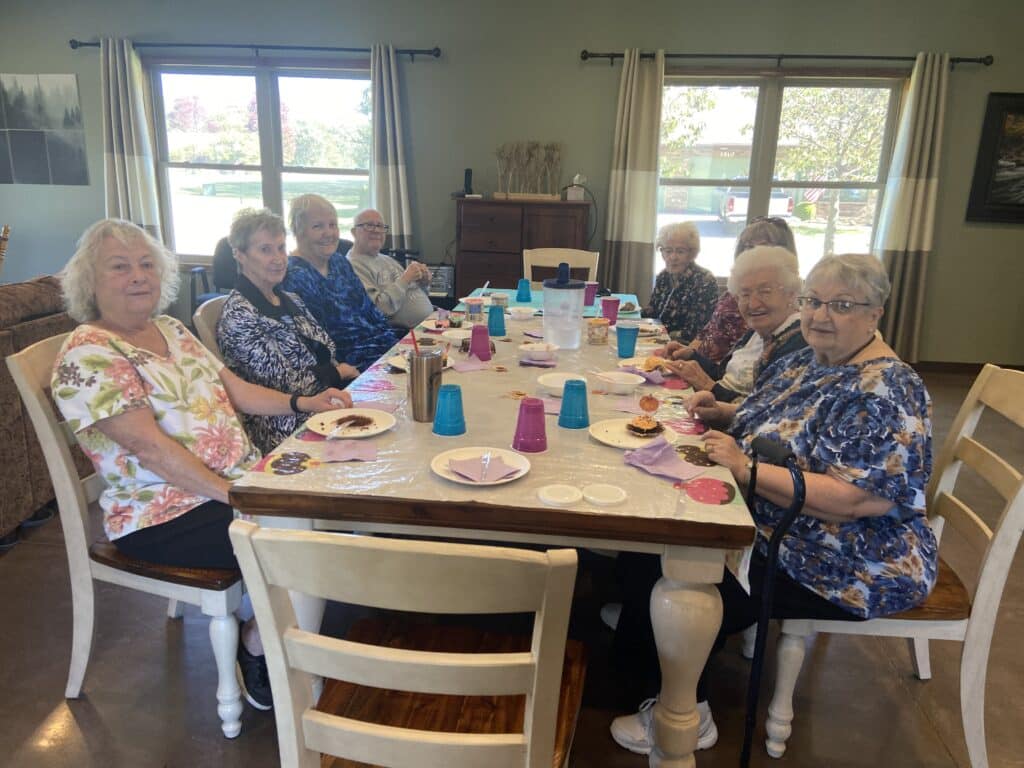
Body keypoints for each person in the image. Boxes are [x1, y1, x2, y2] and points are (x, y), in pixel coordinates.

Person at [609, 253, 937, 756]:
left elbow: (854, 500)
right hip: (779, 518)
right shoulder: (814, 356)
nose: (819, 316)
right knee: (650, 543)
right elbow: (779, 415)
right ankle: (645, 660)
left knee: (682, 569)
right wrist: (724, 411)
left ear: (876, 313)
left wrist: (747, 470)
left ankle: (686, 712)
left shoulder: (885, 390)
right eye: (812, 302)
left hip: (844, 556)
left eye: (841, 305)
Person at [51, 219, 352, 712]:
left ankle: (273, 628)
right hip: (166, 514)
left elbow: (234, 389)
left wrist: (305, 402)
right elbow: (152, 452)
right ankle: (261, 648)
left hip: (235, 484)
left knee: (335, 516)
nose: (138, 276)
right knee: (306, 543)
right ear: (90, 280)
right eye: (120, 266)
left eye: (147, 264)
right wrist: (239, 498)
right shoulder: (89, 353)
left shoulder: (169, 327)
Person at [217, 208, 360, 454]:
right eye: (265, 250)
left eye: (281, 248)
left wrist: (332, 375)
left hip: (321, 402)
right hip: (283, 422)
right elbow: (283, 383)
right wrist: (336, 373)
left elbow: (326, 348)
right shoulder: (239, 315)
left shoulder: (290, 299)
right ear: (239, 255)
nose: (278, 258)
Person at [662, 245, 806, 403]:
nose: (753, 304)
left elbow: (764, 411)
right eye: (745, 294)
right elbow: (726, 375)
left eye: (765, 291)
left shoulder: (798, 341)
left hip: (727, 423)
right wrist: (691, 355)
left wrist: (707, 386)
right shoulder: (758, 331)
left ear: (791, 293)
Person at [282, 194, 401, 372]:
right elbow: (315, 342)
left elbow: (370, 310)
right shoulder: (292, 274)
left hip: (380, 351)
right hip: (349, 365)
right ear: (298, 231)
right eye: (318, 226)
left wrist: (394, 346)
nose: (328, 233)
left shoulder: (339, 262)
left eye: (333, 225)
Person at [663, 216, 798, 365]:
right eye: (748, 247)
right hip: (707, 368)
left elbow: (741, 370)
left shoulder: (775, 308)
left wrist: (701, 373)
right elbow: (707, 331)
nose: (751, 253)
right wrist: (689, 354)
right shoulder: (734, 291)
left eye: (763, 247)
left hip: (715, 374)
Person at [346, 208, 433, 329]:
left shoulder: (388, 260)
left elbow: (412, 294)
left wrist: (423, 283)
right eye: (369, 225)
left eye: (380, 226)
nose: (376, 231)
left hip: (431, 324)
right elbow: (377, 309)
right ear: (354, 232)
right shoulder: (351, 265)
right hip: (402, 336)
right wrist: (406, 278)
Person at [641, 222, 719, 343]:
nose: (673, 257)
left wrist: (657, 335)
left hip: (683, 349)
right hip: (656, 340)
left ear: (691, 253)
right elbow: (652, 312)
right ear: (661, 252)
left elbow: (695, 331)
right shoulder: (663, 277)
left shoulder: (704, 280)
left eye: (680, 251)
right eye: (668, 251)